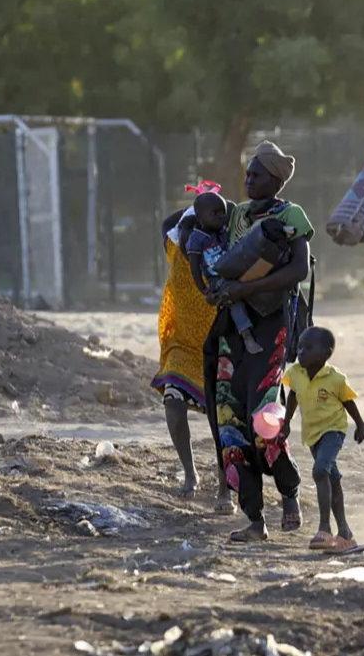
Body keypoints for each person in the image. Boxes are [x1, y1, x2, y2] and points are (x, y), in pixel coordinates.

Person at [207, 141, 314, 541]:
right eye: (248, 174)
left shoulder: (291, 215)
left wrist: (245, 290)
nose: (248, 180)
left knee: (263, 419)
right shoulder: (235, 214)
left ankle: (289, 491)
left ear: (275, 178)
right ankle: (254, 519)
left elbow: (299, 270)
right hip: (232, 329)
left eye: (256, 175)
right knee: (229, 422)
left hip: (271, 326)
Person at [152, 184, 222, 497]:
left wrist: (211, 207)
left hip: (219, 346)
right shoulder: (173, 246)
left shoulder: (220, 253)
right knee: (173, 403)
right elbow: (169, 221)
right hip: (182, 346)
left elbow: (228, 210)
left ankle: (225, 486)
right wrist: (196, 206)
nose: (192, 234)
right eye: (188, 227)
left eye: (198, 228)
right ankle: (190, 473)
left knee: (223, 420)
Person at [280, 327, 364, 551]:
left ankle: (324, 528)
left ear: (326, 353)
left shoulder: (335, 378)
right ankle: (345, 531)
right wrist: (287, 422)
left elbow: (348, 402)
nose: (301, 352)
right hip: (312, 433)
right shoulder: (295, 373)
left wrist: (360, 424)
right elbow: (293, 397)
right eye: (299, 347)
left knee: (320, 471)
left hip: (333, 429)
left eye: (308, 348)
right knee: (332, 477)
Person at [184, 190, 263, 354]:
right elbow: (194, 267)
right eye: (215, 213)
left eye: (223, 212)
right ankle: (246, 335)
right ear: (200, 216)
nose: (221, 216)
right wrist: (204, 290)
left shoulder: (224, 231)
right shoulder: (196, 238)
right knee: (233, 299)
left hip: (236, 271)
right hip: (217, 279)